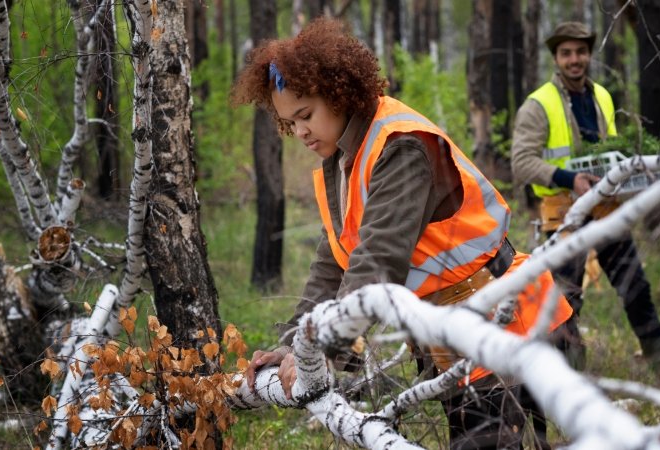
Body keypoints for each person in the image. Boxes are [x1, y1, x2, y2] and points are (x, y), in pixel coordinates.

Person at [233, 18, 579, 449]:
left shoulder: (399, 144)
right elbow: (334, 261)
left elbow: (378, 260)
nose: (300, 131)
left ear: (340, 92)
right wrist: (293, 345)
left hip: (509, 323)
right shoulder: (343, 158)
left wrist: (323, 347)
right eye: (289, 123)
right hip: (458, 337)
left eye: (306, 115)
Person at [510, 21, 660, 366]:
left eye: (581, 52)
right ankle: (567, 372)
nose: (575, 59)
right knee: (566, 299)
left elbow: (609, 150)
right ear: (556, 58)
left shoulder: (602, 96)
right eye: (566, 53)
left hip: (603, 207)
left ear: (589, 55)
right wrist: (570, 179)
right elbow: (522, 163)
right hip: (564, 211)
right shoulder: (538, 104)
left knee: (634, 284)